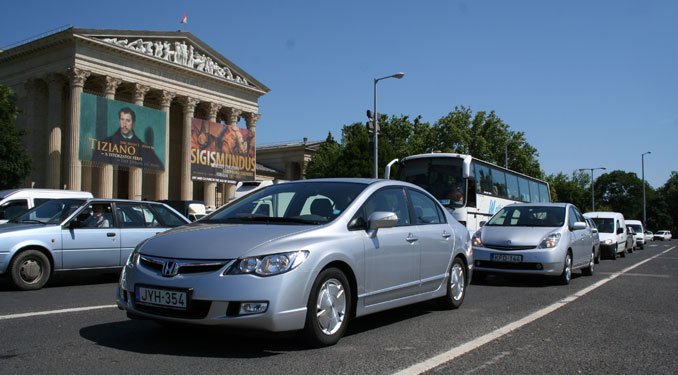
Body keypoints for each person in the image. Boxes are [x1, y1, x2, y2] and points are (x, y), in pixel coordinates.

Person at [93, 107, 164, 170]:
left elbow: (161, 167)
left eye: (128, 120)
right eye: (122, 119)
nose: (124, 123)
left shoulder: (144, 148)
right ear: (119, 121)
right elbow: (94, 161)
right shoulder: (106, 143)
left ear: (133, 123)